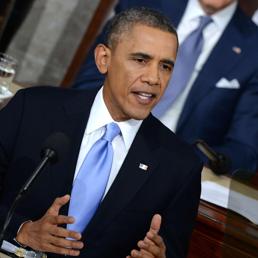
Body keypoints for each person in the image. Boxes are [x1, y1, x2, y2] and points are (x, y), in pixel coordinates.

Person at [0, 7, 203, 258]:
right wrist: (22, 230)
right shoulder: (32, 109)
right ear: (103, 59)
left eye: (165, 66)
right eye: (141, 60)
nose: (154, 78)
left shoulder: (181, 166)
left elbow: (172, 250)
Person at [73, 0, 258, 175]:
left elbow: (244, 148)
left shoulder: (253, 47)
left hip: (173, 171)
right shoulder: (143, 4)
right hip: (102, 139)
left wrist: (180, 164)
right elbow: (89, 84)